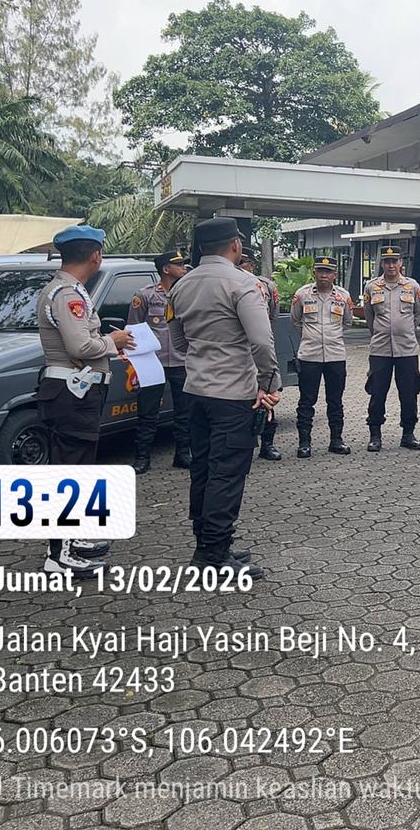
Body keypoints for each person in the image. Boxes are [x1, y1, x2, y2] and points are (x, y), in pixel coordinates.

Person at [169, 217, 281, 577]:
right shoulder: (243, 283)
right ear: (235, 245)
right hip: (233, 394)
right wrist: (269, 383)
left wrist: (204, 357)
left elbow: (179, 342)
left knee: (202, 469)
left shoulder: (181, 285)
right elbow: (262, 341)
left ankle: (207, 544)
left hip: (195, 391)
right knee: (227, 474)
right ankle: (214, 557)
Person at [37, 225, 133, 576]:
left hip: (76, 392)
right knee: (69, 472)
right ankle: (58, 556)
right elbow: (80, 346)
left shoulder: (68, 289)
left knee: (79, 468)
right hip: (72, 394)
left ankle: (72, 539)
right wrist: (113, 342)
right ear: (95, 255)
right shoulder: (67, 294)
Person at [128, 249, 190, 474]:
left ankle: (183, 454)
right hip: (152, 363)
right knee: (148, 412)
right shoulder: (145, 296)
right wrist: (135, 363)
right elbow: (133, 330)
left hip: (182, 361)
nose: (184, 268)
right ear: (166, 269)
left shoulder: (187, 294)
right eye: (179, 265)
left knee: (184, 412)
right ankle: (142, 457)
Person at [289, 255, 353, 458]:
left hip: (335, 355)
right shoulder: (302, 294)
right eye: (320, 271)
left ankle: (336, 440)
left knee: (335, 400)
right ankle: (304, 443)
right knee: (307, 400)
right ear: (314, 272)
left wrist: (332, 337)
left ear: (335, 274)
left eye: (328, 271)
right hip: (310, 355)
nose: (324, 275)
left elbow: (347, 322)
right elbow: (296, 320)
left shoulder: (343, 296)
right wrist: (311, 337)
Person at [362, 246, 420, 452]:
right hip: (380, 350)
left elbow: (417, 315)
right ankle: (375, 435)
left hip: (406, 350)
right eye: (387, 261)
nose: (390, 265)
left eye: (394, 261)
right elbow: (369, 317)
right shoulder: (372, 287)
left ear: (401, 263)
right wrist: (380, 333)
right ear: (381, 263)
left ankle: (408, 434)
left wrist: (404, 332)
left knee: (409, 393)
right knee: (377, 393)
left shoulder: (412, 286)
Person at [238, 248, 283, 461]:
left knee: (268, 397)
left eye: (244, 263)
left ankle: (268, 444)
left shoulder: (266, 285)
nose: (240, 267)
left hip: (261, 349)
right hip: (239, 352)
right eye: (238, 263)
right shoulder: (230, 284)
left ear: (252, 265)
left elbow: (272, 317)